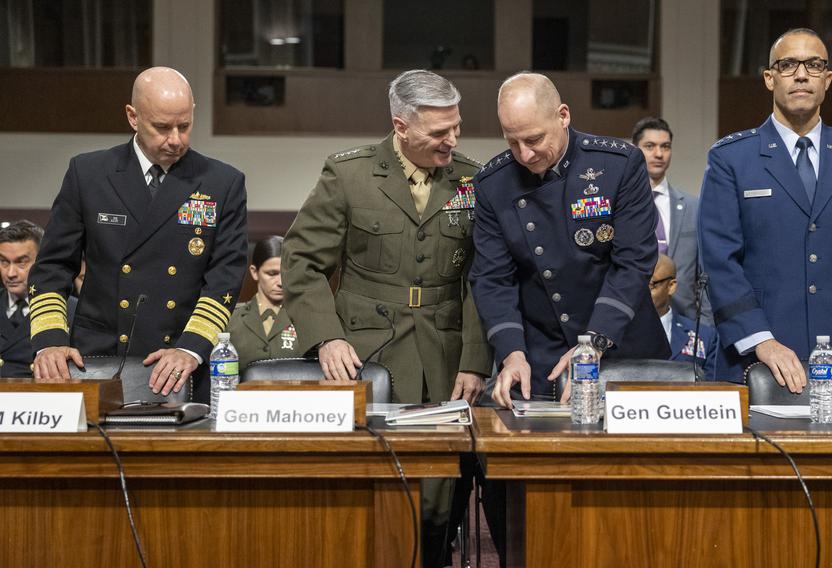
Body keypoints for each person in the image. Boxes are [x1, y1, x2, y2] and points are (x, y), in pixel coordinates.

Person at [281, 69, 491, 568]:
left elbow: (485, 277)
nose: (452, 140)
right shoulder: (349, 174)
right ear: (401, 126)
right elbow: (301, 261)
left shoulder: (472, 179)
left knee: (442, 495)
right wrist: (326, 338)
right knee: (372, 488)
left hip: (445, 355)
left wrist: (476, 359)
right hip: (368, 356)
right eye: (439, 132)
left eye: (456, 127)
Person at [698, 28, 832, 394]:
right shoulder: (731, 158)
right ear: (769, 78)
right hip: (753, 359)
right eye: (788, 64)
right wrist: (761, 340)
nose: (802, 74)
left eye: (814, 64)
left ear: (827, 79)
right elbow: (718, 261)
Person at [28, 66, 248, 400]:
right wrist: (50, 341)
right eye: (162, 127)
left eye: (184, 126)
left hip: (179, 358)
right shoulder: (87, 174)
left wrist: (190, 349)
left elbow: (225, 278)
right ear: (133, 117)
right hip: (98, 355)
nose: (175, 139)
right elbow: (52, 268)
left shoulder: (223, 182)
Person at [470, 72, 670, 408]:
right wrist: (511, 353)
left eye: (534, 140)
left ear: (563, 115)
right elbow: (493, 279)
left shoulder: (617, 164)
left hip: (621, 346)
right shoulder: (493, 183)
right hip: (540, 359)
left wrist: (594, 343)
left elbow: (633, 261)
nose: (525, 154)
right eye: (512, 142)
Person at [632, 117, 709, 322]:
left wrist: (706, 326)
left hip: (685, 320)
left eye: (665, 147)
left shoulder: (694, 207)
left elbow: (704, 273)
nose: (659, 154)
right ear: (635, 150)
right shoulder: (620, 206)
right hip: (631, 319)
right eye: (650, 146)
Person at [227, 236, 305, 369]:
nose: (280, 282)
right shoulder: (231, 319)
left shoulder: (306, 317)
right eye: (272, 273)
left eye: (286, 274)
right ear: (254, 272)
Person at [651, 253, 731, 380]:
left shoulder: (705, 337)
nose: (641, 290)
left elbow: (714, 389)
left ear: (671, 286)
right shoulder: (619, 334)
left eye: (651, 284)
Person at [0, 220, 43, 377]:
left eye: (21, 262)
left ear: (41, 261)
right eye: (4, 262)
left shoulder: (69, 310)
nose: (11, 273)